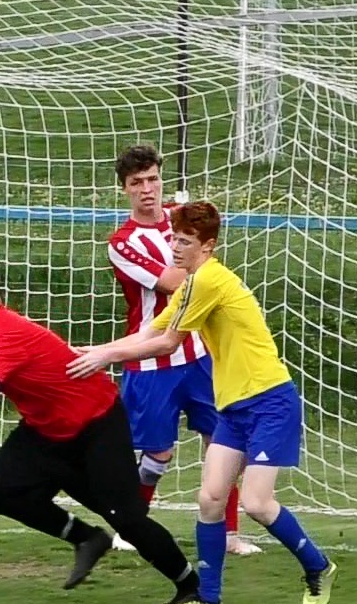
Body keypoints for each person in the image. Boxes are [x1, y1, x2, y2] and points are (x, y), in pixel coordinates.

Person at [68, 201, 337, 604]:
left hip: (269, 401)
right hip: (233, 407)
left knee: (257, 503)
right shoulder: (192, 283)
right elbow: (152, 328)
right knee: (210, 499)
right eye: (174, 239)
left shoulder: (209, 280)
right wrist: (96, 350)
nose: (175, 247)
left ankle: (318, 567)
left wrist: (107, 358)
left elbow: (167, 343)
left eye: (185, 242)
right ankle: (207, 596)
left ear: (207, 247)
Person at [0, 263, 200, 604]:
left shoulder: (1, 333)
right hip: (47, 428)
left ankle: (192, 588)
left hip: (96, 422)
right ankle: (87, 538)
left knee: (126, 517)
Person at [105, 144, 257, 556]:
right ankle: (131, 526)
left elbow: (207, 251)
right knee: (158, 453)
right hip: (151, 358)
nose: (147, 189)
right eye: (137, 182)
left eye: (153, 179)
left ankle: (228, 534)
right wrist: (199, 250)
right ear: (125, 189)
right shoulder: (123, 242)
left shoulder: (180, 217)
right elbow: (174, 282)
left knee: (222, 441)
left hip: (198, 354)